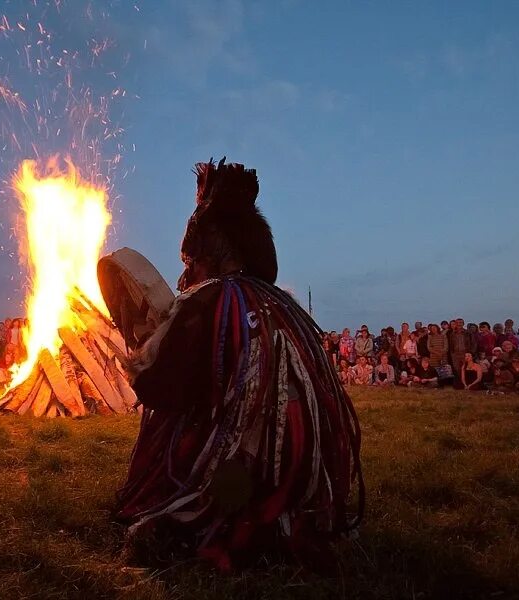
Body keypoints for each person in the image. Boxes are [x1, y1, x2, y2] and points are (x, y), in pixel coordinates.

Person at [113, 159, 363, 570]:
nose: (181, 279)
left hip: (242, 478)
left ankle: (214, 514)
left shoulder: (213, 300)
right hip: (303, 484)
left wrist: (141, 346)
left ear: (211, 256)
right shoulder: (283, 307)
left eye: (188, 263)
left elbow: (161, 388)